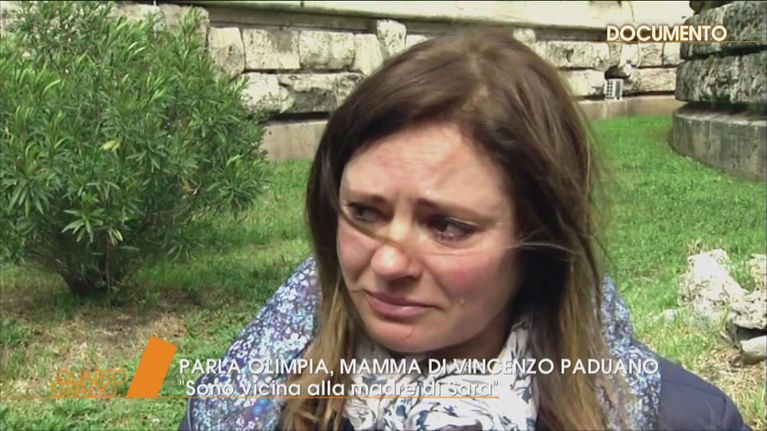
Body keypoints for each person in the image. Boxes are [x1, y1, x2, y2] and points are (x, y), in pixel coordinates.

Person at [180, 29, 749, 430]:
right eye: (365, 213)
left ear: (539, 243)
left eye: (447, 226)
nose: (388, 263)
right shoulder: (243, 400)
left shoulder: (687, 420)